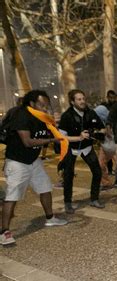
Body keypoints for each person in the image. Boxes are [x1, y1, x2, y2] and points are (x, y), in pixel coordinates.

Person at [0, 90, 67, 246]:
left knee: (45, 188)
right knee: (12, 196)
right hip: (17, 162)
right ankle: (4, 232)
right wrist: (51, 139)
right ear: (31, 104)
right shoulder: (22, 116)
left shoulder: (42, 118)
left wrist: (55, 125)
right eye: (41, 104)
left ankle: (50, 218)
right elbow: (28, 142)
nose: (45, 108)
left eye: (46, 105)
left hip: (33, 160)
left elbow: (56, 133)